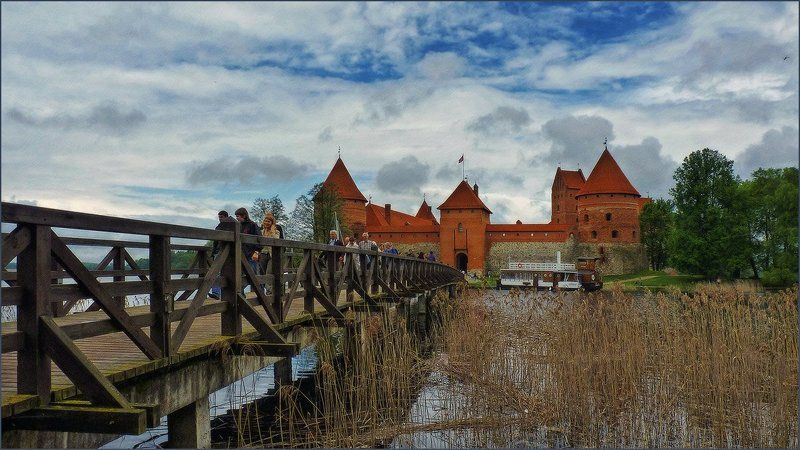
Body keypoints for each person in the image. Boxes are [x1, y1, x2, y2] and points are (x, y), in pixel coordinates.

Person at [210, 210, 236, 300]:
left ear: (226, 217)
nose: (220, 219)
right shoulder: (218, 227)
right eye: (219, 217)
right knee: (215, 272)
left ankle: (232, 294)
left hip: (229, 253)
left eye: (221, 217)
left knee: (228, 273)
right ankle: (216, 293)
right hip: (218, 252)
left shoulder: (231, 226)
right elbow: (215, 241)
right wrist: (213, 252)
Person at [235, 207, 260, 293]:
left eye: (238, 216)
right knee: (238, 276)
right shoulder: (238, 226)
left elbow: (259, 239)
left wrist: (257, 252)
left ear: (244, 215)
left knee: (254, 276)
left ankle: (263, 296)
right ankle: (241, 294)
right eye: (236, 216)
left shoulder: (253, 225)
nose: (236, 218)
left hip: (251, 254)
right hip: (241, 255)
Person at [255, 212, 281, 293]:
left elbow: (276, 241)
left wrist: (273, 231)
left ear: (272, 223)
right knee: (262, 273)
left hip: (272, 255)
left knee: (268, 273)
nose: (266, 223)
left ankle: (270, 292)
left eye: (268, 221)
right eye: (265, 221)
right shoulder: (261, 232)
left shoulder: (276, 232)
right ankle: (270, 290)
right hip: (262, 254)